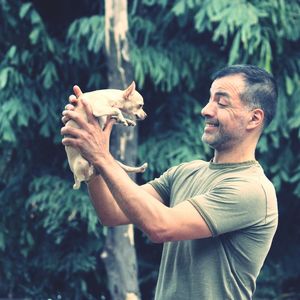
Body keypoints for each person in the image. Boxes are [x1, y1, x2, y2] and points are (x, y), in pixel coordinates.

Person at [61, 64, 278, 300]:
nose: (206, 110)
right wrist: (88, 155)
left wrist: (102, 156)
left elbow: (160, 226)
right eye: (209, 100)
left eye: (221, 103)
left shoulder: (252, 189)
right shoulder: (186, 172)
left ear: (254, 118)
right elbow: (112, 212)